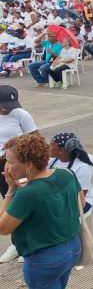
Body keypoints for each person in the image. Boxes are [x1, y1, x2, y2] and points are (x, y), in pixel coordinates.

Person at [0, 133, 82, 289]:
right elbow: (80, 202)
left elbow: (2, 228)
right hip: (71, 249)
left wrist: (10, 189)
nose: (6, 168)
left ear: (28, 165)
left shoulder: (26, 193)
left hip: (43, 262)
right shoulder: (66, 175)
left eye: (10, 162)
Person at [0, 85, 40, 264]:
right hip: (2, 165)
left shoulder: (21, 114)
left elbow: (36, 140)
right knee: (9, 204)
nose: (6, 108)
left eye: (9, 104)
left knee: (23, 202)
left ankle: (29, 243)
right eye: (3, 105)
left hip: (18, 165)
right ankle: (16, 244)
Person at [48, 133, 93, 213]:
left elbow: (79, 199)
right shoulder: (53, 162)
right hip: (57, 197)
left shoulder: (82, 167)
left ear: (61, 151)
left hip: (78, 203)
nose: (48, 148)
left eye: (51, 145)